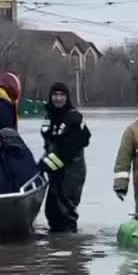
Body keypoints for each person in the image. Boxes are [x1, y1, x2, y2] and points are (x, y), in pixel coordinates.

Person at [39, 81, 92, 233]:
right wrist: (42, 163)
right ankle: (56, 248)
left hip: (71, 172)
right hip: (55, 171)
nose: (58, 98)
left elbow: (81, 141)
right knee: (52, 211)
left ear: (67, 98)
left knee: (65, 212)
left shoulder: (74, 117)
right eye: (55, 95)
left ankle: (69, 248)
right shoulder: (50, 116)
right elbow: (49, 143)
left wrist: (47, 163)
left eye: (62, 95)